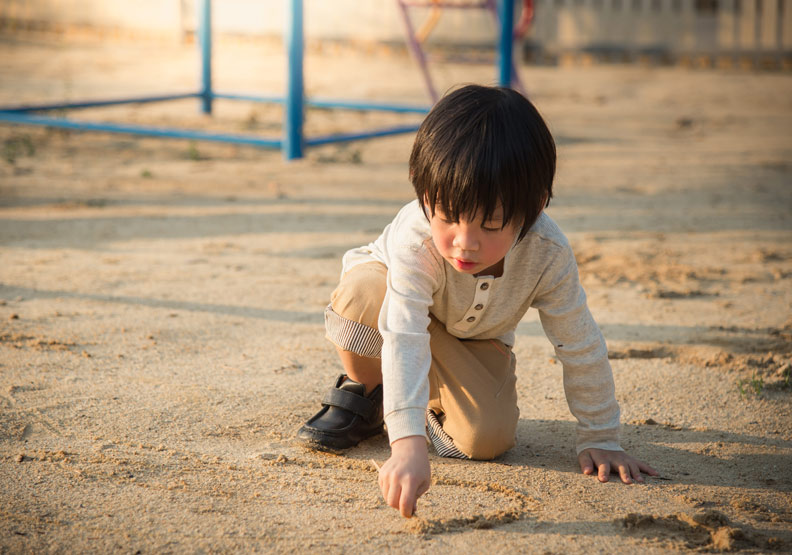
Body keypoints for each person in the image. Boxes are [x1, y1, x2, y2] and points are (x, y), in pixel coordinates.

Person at [297, 84, 657, 518]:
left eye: (491, 224)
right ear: (423, 193)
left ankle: (422, 405)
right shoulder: (417, 239)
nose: (465, 243)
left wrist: (601, 436)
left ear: (534, 207)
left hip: (473, 342)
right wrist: (407, 445)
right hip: (390, 313)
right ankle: (372, 392)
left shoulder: (547, 252)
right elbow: (405, 334)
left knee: (487, 439)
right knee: (361, 298)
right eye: (447, 216)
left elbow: (579, 344)